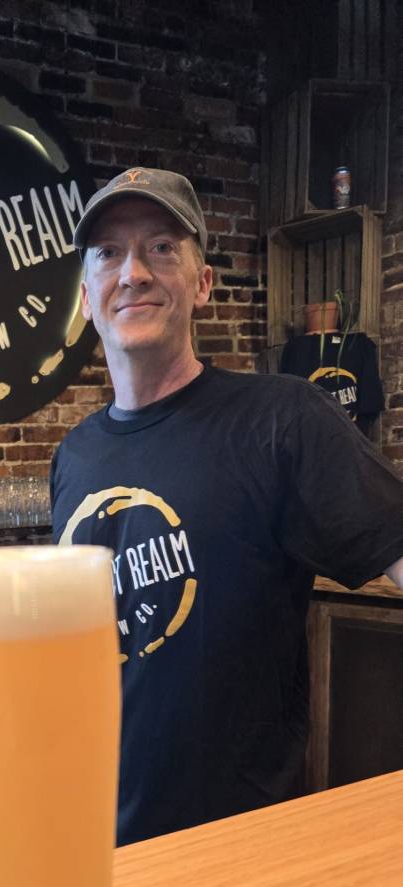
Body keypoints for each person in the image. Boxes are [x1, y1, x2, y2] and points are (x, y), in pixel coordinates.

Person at [51, 168, 403, 846]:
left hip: (241, 842)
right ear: (87, 297)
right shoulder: (75, 456)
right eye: (109, 254)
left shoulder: (281, 417)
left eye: (161, 247)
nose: (134, 273)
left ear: (203, 284)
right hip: (101, 839)